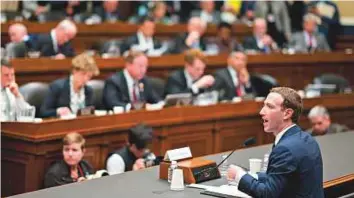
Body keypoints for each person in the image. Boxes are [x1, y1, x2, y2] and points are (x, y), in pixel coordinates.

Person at [227, 87, 324, 197]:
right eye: (264, 105)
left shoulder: (285, 149)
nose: (261, 112)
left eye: (269, 106)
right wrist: (252, 175)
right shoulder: (308, 139)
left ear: (287, 114)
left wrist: (239, 176)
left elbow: (267, 194)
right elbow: (282, 177)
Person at [40, 52, 99, 118]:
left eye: (88, 76)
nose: (85, 79)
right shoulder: (57, 87)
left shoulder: (89, 91)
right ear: (74, 71)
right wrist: (57, 111)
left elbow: (89, 113)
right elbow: (43, 112)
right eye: (83, 74)